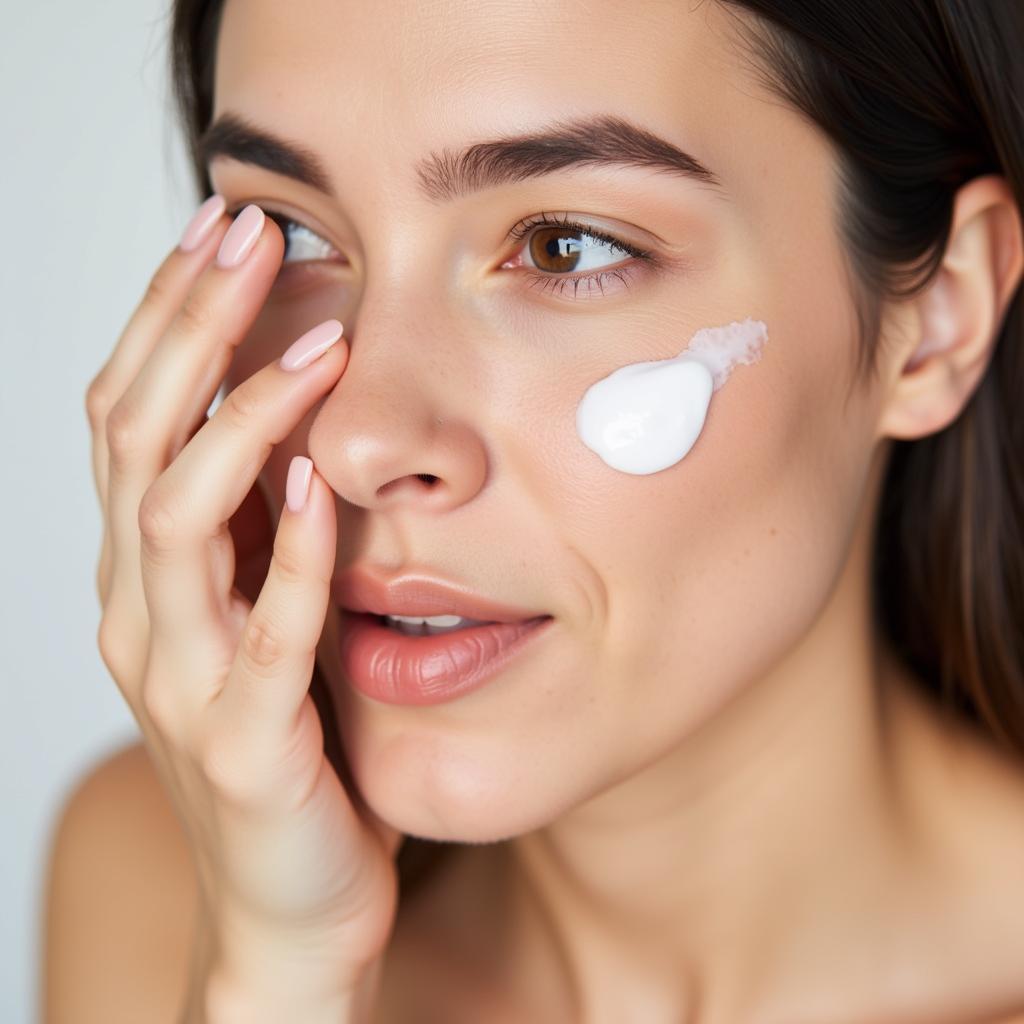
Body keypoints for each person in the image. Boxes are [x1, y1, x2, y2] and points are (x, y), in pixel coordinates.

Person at [41, 0, 1024, 1020]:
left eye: (563, 247)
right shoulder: (165, 886)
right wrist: (273, 978)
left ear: (937, 317)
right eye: (287, 231)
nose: (356, 440)